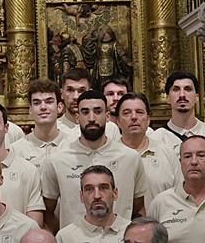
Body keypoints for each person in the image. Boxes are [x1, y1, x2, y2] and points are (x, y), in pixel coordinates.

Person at [40, 91, 143, 231]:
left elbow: (138, 208)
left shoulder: (130, 158)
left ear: (107, 116)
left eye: (98, 111)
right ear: (77, 117)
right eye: (85, 112)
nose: (92, 118)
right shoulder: (56, 160)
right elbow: (48, 212)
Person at [53, 165, 127, 243]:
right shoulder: (65, 237)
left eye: (103, 188)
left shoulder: (132, 232)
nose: (97, 195)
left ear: (115, 193)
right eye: (89, 189)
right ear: (81, 196)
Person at [116, 93, 181, 205]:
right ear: (118, 121)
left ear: (148, 120)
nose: (134, 117)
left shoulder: (167, 154)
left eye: (139, 112)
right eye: (127, 113)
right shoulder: (108, 155)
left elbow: (181, 196)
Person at [153, 71, 205, 151]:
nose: (182, 95)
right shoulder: (155, 140)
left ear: (197, 98)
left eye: (188, 89)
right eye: (176, 89)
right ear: (168, 98)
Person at [22, 78, 69, 157]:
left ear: (59, 107)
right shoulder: (17, 150)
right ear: (30, 109)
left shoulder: (72, 146)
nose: (43, 107)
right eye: (37, 103)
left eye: (49, 102)